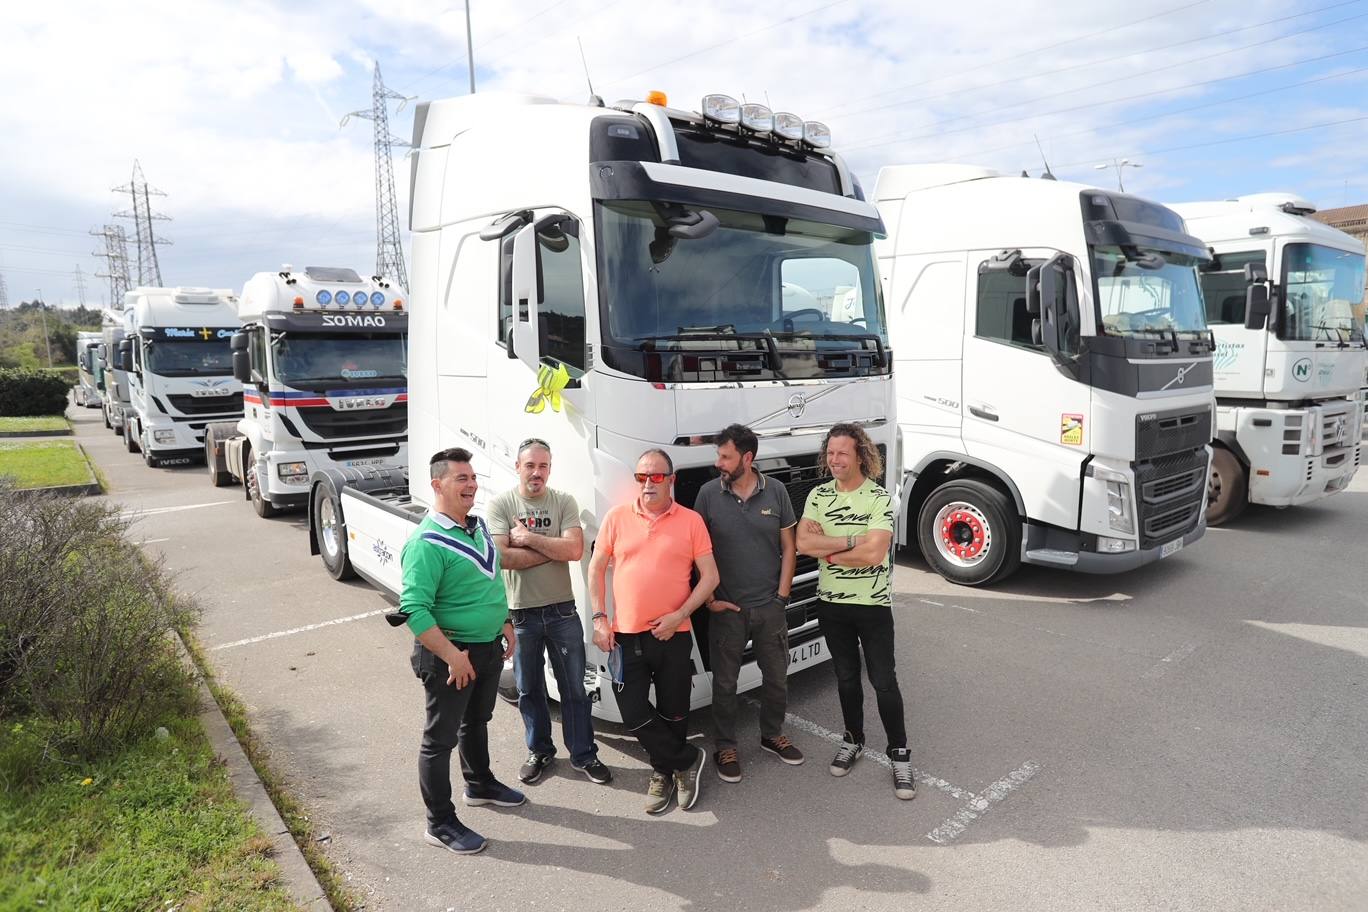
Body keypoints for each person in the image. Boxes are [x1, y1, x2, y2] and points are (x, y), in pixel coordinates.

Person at [400, 447, 527, 857]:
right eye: (461, 479)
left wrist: (504, 620)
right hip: (450, 654)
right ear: (437, 485)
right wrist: (453, 655)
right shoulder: (425, 542)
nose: (471, 485)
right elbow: (414, 609)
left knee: (477, 720)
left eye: (473, 478)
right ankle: (439, 823)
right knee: (438, 741)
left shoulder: (476, 526)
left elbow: (489, 580)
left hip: (486, 647)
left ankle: (480, 784)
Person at [587, 449, 720, 815]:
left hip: (674, 632)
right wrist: (600, 618)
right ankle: (687, 759)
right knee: (633, 712)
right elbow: (596, 568)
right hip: (625, 633)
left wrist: (679, 615)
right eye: (642, 477)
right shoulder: (616, 517)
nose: (648, 483)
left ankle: (665, 772)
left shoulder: (691, 521)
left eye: (656, 476)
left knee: (675, 710)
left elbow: (710, 577)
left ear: (671, 480)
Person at [795, 424, 915, 801]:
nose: (834, 460)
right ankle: (853, 738)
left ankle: (899, 753)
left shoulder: (878, 499)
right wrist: (851, 540)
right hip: (832, 603)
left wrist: (827, 550)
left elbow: (874, 553)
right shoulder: (818, 495)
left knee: (883, 681)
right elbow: (803, 542)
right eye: (830, 453)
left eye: (842, 453)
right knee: (845, 677)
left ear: (860, 455)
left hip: (873, 605)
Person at [488, 438, 612, 787]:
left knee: (574, 687)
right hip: (522, 613)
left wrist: (527, 538)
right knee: (529, 689)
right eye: (530, 465)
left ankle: (584, 754)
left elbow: (574, 550)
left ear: (549, 469)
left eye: (543, 466)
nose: (537, 472)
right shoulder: (501, 503)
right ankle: (539, 751)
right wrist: (553, 548)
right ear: (517, 467)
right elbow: (503, 557)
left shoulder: (563, 502)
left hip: (561, 611)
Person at [694, 424, 804, 783]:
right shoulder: (708, 494)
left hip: (769, 608)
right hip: (727, 610)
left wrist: (782, 597)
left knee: (777, 678)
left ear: (747, 457)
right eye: (718, 455)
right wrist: (709, 599)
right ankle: (725, 745)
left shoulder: (777, 492)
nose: (718, 463)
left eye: (725, 456)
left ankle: (772, 735)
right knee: (725, 685)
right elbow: (697, 552)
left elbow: (790, 546)